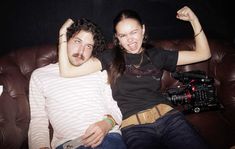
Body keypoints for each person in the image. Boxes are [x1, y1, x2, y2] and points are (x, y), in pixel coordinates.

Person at [59, 6, 211, 149]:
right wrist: (63, 33)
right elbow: (67, 71)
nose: (130, 40)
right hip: (134, 128)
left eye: (134, 32)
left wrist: (194, 20)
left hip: (169, 119)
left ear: (143, 30)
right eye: (123, 35)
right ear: (117, 38)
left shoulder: (157, 55)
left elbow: (204, 54)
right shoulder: (109, 57)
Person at [28, 18, 127, 149]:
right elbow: (38, 120)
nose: (81, 51)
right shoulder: (40, 75)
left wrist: (107, 124)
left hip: (107, 138)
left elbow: (114, 107)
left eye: (88, 46)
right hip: (69, 145)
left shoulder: (99, 71)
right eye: (77, 41)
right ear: (64, 42)